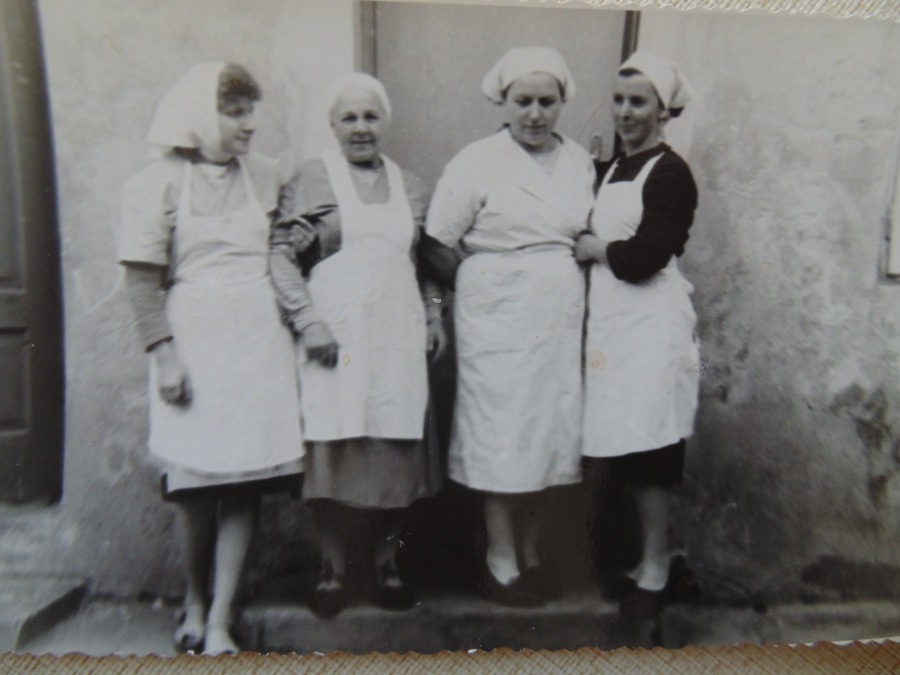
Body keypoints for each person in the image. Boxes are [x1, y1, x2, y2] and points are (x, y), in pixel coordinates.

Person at [118, 62, 304, 654]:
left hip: (257, 344)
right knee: (194, 486)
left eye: (251, 112)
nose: (250, 125)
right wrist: (165, 356)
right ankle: (195, 604)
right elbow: (141, 282)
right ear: (200, 116)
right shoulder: (157, 184)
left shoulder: (267, 176)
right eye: (235, 113)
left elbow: (288, 246)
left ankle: (222, 619)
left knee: (245, 484)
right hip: (194, 342)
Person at [421, 47, 595, 606]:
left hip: (557, 317)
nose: (535, 114)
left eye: (547, 101)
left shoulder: (579, 163)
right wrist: (479, 281)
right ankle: (500, 558)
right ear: (504, 102)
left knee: (548, 430)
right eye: (523, 102)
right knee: (500, 429)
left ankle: (532, 550)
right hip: (496, 315)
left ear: (562, 102)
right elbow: (435, 242)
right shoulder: (476, 161)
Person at [269, 73, 446, 617]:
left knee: (394, 457)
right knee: (333, 453)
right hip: (335, 338)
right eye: (349, 117)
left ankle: (387, 566)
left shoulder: (412, 187)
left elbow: (427, 266)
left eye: (371, 116)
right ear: (333, 124)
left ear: (385, 121)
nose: (361, 127)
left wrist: (434, 315)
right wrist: (308, 323)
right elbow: (280, 256)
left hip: (396, 340)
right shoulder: (311, 180)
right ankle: (333, 569)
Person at [575, 51, 700, 609]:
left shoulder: (671, 173)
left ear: (662, 111)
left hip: (651, 326)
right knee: (625, 446)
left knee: (652, 448)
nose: (625, 112)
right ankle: (644, 561)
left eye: (638, 102)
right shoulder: (610, 170)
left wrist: (595, 249)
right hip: (613, 327)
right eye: (619, 100)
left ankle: (657, 568)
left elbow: (646, 256)